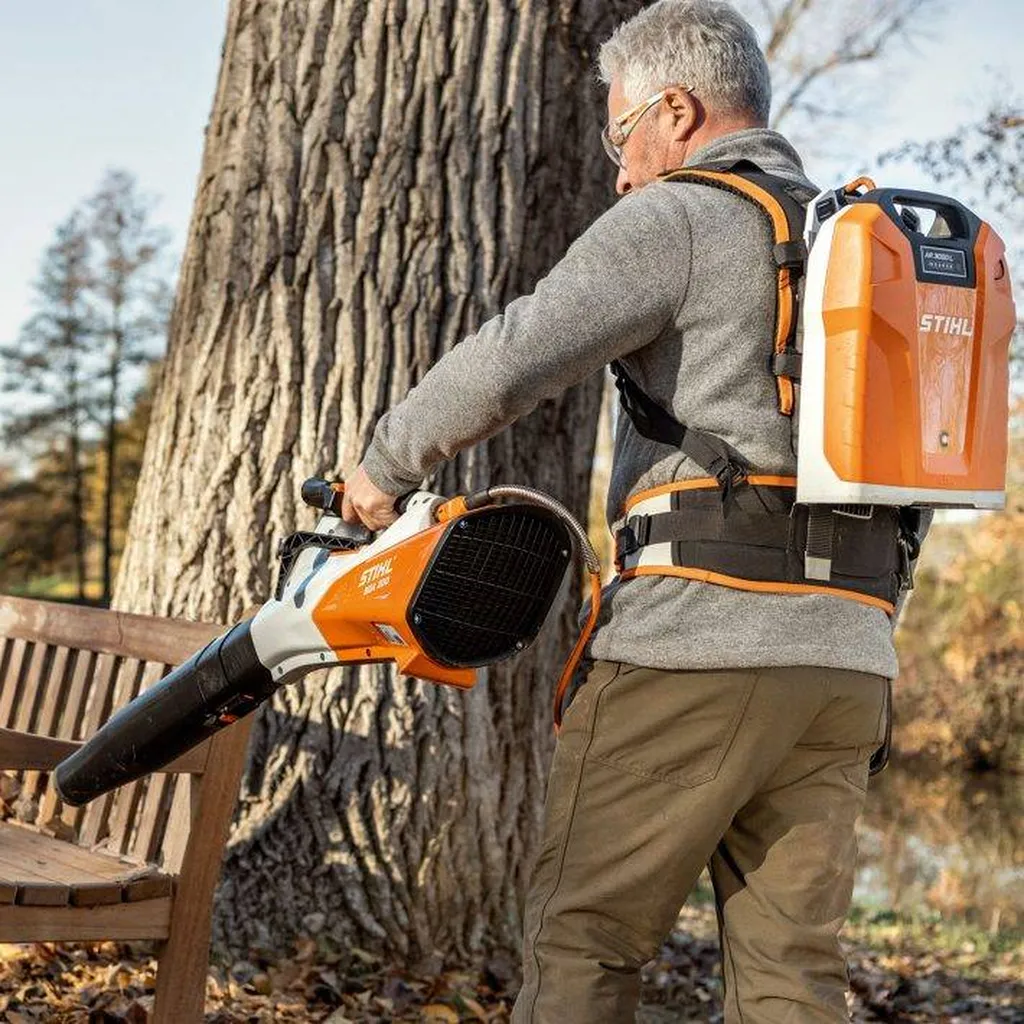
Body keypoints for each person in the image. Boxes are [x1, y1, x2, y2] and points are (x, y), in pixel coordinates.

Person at [342, 2, 899, 1020]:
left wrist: (381, 465)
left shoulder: (682, 216)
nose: (617, 169)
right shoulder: (859, 247)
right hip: (848, 662)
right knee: (792, 974)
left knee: (584, 940)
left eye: (619, 132)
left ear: (677, 110)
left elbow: (519, 350)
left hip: (698, 643)